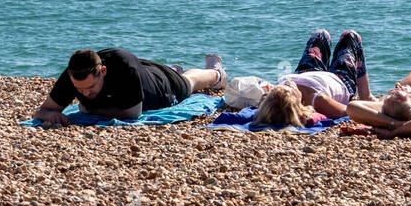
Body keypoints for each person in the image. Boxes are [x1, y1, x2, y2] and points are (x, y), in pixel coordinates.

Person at [31, 48, 227, 127]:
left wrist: (89, 109)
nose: (85, 94)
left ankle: (216, 72)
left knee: (188, 82)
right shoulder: (74, 74)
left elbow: (132, 114)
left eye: (90, 88)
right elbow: (43, 110)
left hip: (162, 86)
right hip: (141, 72)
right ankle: (173, 68)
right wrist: (51, 115)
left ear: (104, 72)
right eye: (79, 90)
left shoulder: (124, 67)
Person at [252, 30, 370, 129]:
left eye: (282, 87)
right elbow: (349, 112)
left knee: (320, 35)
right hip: (339, 79)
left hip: (306, 72)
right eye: (290, 89)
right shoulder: (317, 99)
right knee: (350, 36)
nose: (288, 84)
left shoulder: (273, 100)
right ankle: (367, 96)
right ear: (298, 99)